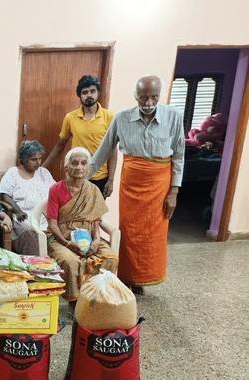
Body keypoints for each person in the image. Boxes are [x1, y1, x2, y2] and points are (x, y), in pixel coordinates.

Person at [90, 75, 185, 295]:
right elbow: (103, 152)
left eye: (154, 97)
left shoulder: (174, 117)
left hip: (161, 186)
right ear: (136, 97)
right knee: (130, 232)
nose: (149, 103)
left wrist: (174, 191)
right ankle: (128, 277)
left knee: (152, 235)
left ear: (160, 95)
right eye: (143, 97)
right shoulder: (121, 119)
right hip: (131, 186)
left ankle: (145, 277)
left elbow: (179, 156)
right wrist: (80, 178)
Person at [46, 148, 118, 311]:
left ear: (88, 168)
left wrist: (97, 240)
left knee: (110, 258)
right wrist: (67, 243)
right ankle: (75, 302)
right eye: (74, 163)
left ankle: (100, 299)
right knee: (71, 261)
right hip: (62, 238)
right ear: (66, 167)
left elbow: (95, 222)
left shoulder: (93, 190)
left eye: (83, 163)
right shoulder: (56, 190)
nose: (79, 167)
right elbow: (52, 224)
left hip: (89, 236)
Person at [42, 75, 117, 197]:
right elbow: (59, 146)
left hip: (100, 177)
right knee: (73, 213)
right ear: (79, 96)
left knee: (95, 215)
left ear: (98, 93)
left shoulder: (110, 117)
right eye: (85, 92)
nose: (89, 95)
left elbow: (112, 151)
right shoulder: (70, 117)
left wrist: (111, 180)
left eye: (92, 91)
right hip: (76, 175)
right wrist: (43, 168)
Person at [0, 140, 55, 255]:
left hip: (45, 216)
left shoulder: (44, 172)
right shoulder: (13, 173)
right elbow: (4, 195)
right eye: (34, 159)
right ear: (23, 159)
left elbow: (55, 192)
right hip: (24, 215)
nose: (38, 162)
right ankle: (35, 264)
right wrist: (18, 210)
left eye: (40, 158)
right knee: (30, 232)